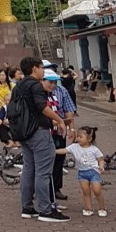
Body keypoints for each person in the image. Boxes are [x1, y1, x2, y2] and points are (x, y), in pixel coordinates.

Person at [11, 57, 70, 222]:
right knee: (44, 172)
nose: (43, 70)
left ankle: (27, 207)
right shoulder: (35, 85)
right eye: (41, 67)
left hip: (24, 132)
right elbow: (42, 107)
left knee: (29, 169)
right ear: (35, 68)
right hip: (39, 132)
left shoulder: (18, 86)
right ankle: (46, 210)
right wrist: (59, 120)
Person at [57, 126, 106, 217]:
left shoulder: (94, 149)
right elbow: (64, 150)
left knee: (97, 190)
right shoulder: (74, 147)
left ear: (89, 138)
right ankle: (88, 208)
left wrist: (101, 166)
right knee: (86, 191)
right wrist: (53, 151)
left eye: (81, 137)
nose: (78, 139)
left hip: (93, 171)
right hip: (82, 173)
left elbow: (101, 159)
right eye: (77, 136)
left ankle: (102, 208)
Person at [43, 71, 76, 204]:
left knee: (59, 158)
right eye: (50, 82)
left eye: (54, 82)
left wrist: (71, 128)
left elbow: (68, 110)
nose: (53, 85)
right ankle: (42, 191)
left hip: (58, 131)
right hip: (44, 132)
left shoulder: (61, 91)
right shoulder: (37, 93)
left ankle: (56, 188)